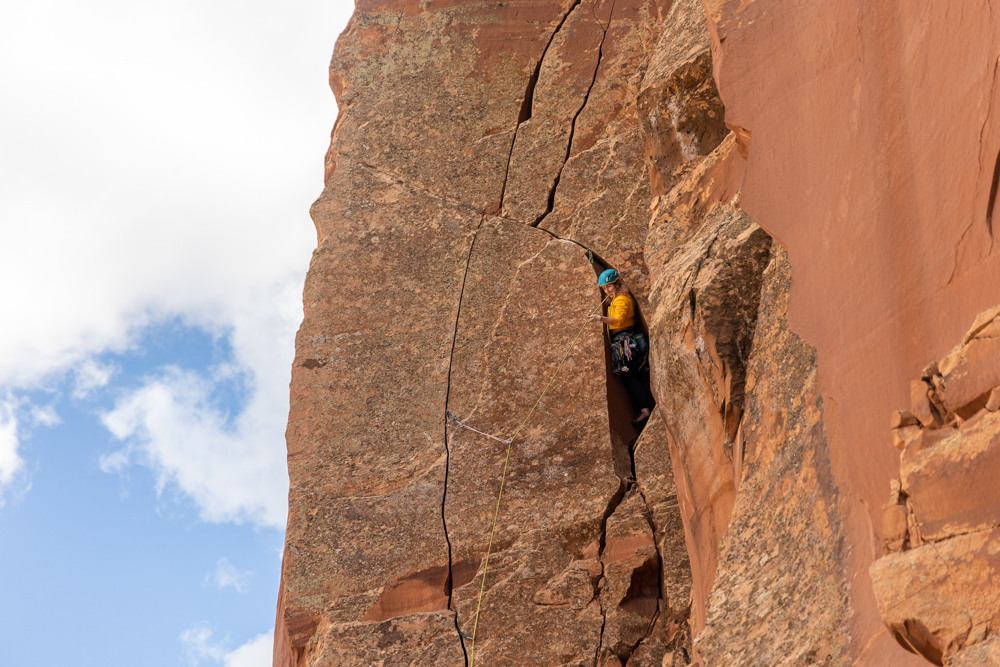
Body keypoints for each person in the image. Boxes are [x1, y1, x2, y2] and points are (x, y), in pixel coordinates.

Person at [588, 269, 651, 425]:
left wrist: (600, 318)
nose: (607, 290)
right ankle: (645, 409)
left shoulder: (621, 299)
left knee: (631, 377)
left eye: (609, 286)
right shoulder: (618, 299)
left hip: (625, 343)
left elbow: (619, 320)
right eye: (604, 288)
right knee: (630, 377)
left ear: (617, 284)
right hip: (622, 343)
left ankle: (645, 411)